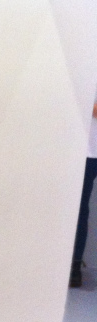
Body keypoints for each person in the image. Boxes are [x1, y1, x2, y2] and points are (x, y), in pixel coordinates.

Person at [71, 94, 97, 288]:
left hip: (90, 152)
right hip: (86, 151)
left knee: (81, 209)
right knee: (79, 209)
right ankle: (74, 266)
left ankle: (74, 266)